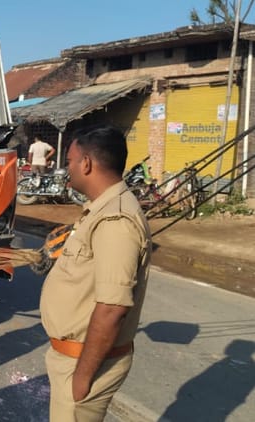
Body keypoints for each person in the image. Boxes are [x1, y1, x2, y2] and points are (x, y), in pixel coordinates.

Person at [39, 125, 152, 421]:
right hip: (71, 358)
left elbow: (113, 308)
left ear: (86, 164)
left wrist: (82, 379)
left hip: (82, 365)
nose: (67, 169)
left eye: (69, 161)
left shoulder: (116, 219)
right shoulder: (100, 210)